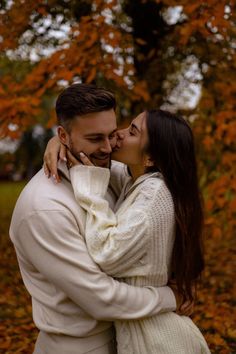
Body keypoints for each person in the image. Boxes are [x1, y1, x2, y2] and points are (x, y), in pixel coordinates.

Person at [10, 84, 186, 354]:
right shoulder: (43, 209)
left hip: (129, 338)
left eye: (112, 134)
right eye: (95, 138)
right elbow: (102, 299)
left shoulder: (103, 170)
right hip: (78, 347)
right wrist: (171, 296)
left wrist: (61, 141)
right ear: (64, 136)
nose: (108, 148)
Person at [44, 108, 210, 353]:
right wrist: (58, 140)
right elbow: (94, 158)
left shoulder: (154, 196)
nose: (118, 135)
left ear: (151, 157)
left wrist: (90, 191)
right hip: (145, 334)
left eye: (132, 132)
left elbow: (107, 254)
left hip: (159, 342)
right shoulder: (137, 179)